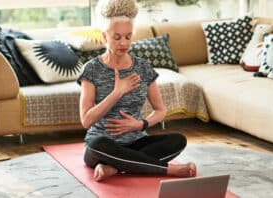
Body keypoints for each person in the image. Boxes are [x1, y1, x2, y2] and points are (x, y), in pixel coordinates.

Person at [77, 0, 196, 182]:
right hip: (103, 146)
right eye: (116, 37)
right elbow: (86, 120)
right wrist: (117, 92)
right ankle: (169, 170)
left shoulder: (142, 67)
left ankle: (115, 168)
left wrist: (141, 125)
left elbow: (160, 110)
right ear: (104, 36)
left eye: (128, 36)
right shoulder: (91, 69)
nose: (123, 43)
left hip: (136, 142)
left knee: (178, 140)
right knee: (96, 145)